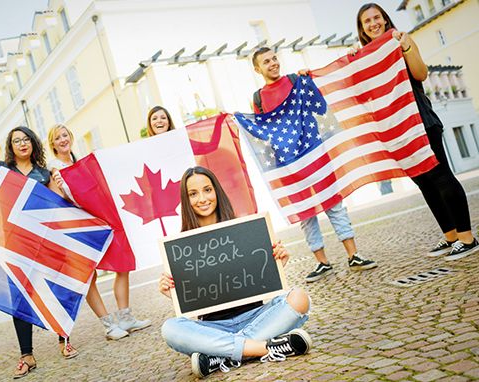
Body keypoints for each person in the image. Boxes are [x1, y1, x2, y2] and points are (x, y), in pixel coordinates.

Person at [159, 166, 312, 378]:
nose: (202, 198)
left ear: (217, 192)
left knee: (299, 298)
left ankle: (221, 356)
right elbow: (189, 300)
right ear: (186, 200)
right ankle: (263, 348)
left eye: (207, 190)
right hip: (213, 328)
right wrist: (173, 292)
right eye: (193, 194)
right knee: (170, 328)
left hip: (257, 317)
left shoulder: (245, 230)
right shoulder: (180, 246)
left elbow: (262, 275)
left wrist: (277, 263)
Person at [354, 3, 478, 260]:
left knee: (441, 176)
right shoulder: (365, 56)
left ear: (385, 20)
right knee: (425, 184)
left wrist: (405, 46)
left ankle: (468, 238)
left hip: (420, 120)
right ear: (362, 29)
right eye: (367, 21)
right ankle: (450, 236)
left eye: (377, 17)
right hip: (397, 129)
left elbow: (420, 73)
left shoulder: (401, 40)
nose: (373, 23)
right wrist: (355, 58)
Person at [251, 47, 377, 283]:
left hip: (314, 152)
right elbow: (261, 130)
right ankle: (322, 262)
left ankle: (354, 255)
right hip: (289, 164)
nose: (273, 63)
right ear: (258, 69)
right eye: (266, 62)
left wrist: (310, 83)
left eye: (274, 58)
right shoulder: (258, 98)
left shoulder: (296, 81)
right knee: (305, 213)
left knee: (334, 203)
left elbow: (319, 107)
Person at [47, 124, 151, 341]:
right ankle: (108, 325)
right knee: (89, 275)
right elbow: (59, 203)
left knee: (122, 263)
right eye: (58, 138)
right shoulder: (54, 169)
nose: (63, 140)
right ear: (53, 144)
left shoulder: (80, 162)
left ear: (71, 137)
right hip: (79, 227)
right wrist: (63, 187)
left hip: (100, 220)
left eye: (65, 135)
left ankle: (125, 317)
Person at [1, 126, 78, 379]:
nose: (22, 144)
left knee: (57, 288)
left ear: (34, 143)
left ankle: (63, 339)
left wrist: (60, 185)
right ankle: (26, 355)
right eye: (16, 141)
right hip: (16, 243)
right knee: (20, 297)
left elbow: (59, 206)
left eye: (26, 139)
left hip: (46, 241)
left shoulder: (45, 174)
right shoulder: (3, 171)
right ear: (11, 147)